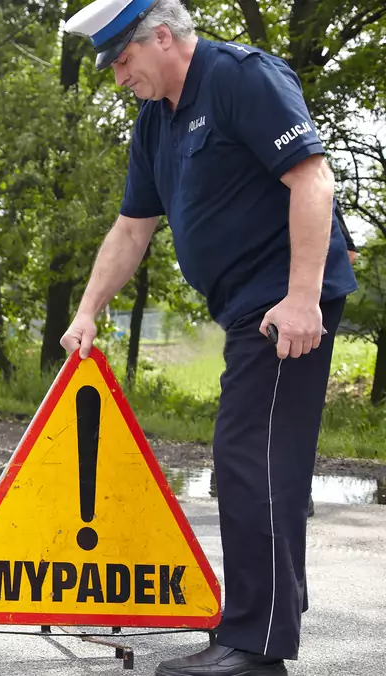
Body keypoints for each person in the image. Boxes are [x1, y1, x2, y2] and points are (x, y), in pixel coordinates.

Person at [62, 1, 358, 674]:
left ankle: (257, 646)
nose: (117, 78)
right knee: (258, 459)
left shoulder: (239, 77)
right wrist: (86, 312)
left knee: (248, 456)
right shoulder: (154, 124)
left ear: (161, 37)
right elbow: (131, 229)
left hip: (285, 303)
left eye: (123, 60)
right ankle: (272, 615)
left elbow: (312, 178)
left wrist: (304, 297)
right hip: (246, 310)